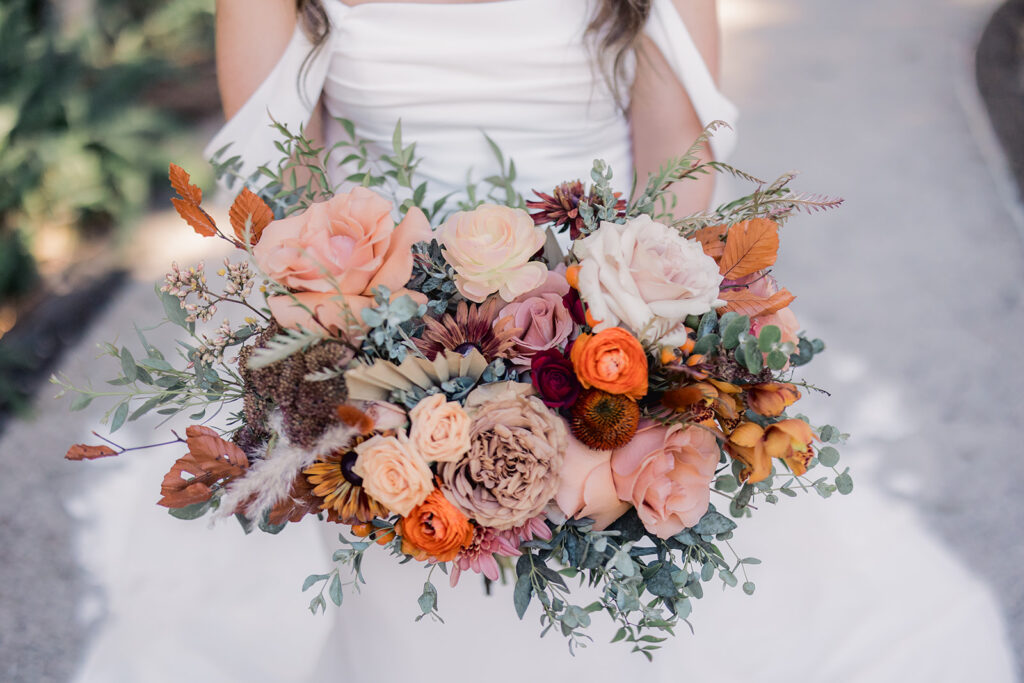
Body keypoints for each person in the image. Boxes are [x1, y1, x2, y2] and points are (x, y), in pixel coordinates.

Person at [196, 2, 1020, 682]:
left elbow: (675, 183)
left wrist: (630, 341)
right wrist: (381, 366)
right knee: (425, 606)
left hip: (601, 305)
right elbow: (288, 201)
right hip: (385, 339)